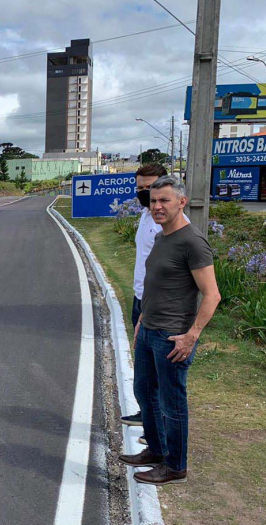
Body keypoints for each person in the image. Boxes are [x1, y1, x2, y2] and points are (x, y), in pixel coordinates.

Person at [118, 175, 221, 485]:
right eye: (153, 201)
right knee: (144, 393)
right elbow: (155, 286)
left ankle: (175, 465)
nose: (157, 206)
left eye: (164, 200)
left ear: (181, 202)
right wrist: (140, 322)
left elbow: (212, 294)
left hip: (172, 337)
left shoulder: (192, 242)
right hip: (149, 329)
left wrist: (192, 335)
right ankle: (156, 449)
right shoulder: (162, 238)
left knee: (171, 403)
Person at [119, 163, 168, 434]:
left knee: (158, 370)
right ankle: (147, 416)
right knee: (144, 368)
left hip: (157, 305)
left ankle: (158, 431)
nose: (145, 193)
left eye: (150, 187)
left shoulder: (168, 223)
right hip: (141, 299)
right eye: (140, 188)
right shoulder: (145, 216)